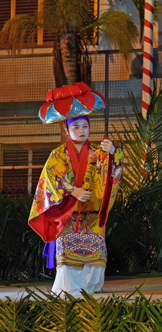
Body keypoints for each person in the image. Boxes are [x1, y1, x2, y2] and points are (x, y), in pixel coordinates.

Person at [28, 82, 123, 296]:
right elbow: (50, 178)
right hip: (68, 214)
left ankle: (92, 287)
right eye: (76, 127)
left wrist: (113, 152)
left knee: (94, 256)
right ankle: (67, 288)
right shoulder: (58, 155)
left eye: (85, 127)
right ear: (66, 129)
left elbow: (113, 173)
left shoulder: (99, 152)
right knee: (69, 260)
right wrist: (73, 191)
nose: (81, 131)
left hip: (92, 213)